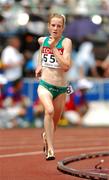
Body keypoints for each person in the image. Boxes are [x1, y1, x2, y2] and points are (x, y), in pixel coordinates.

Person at [35, 13, 72, 160]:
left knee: (54, 124)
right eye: (53, 25)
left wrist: (54, 49)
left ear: (63, 28)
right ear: (48, 26)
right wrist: (39, 65)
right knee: (48, 111)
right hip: (45, 85)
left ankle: (46, 136)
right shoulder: (42, 40)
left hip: (61, 88)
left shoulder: (66, 42)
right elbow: (41, 49)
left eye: (59, 26)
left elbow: (66, 66)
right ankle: (50, 149)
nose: (55, 28)